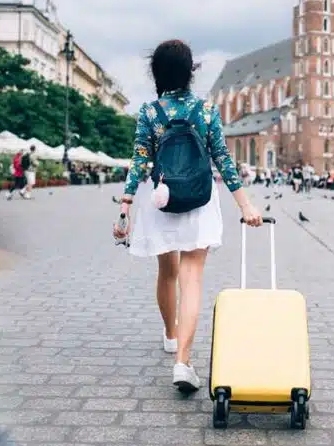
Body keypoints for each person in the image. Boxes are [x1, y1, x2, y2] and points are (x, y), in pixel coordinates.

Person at [112, 40, 262, 392]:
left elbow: (140, 160)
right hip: (198, 198)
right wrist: (245, 205)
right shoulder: (206, 111)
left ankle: (170, 334)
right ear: (190, 71)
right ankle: (183, 360)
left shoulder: (150, 112)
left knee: (167, 272)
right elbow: (222, 159)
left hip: (161, 200)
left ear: (157, 73)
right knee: (191, 278)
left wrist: (125, 206)